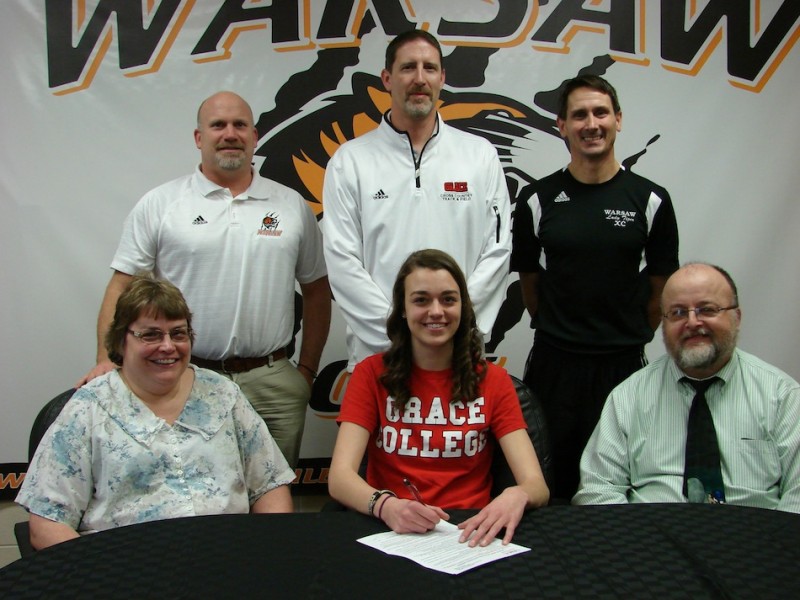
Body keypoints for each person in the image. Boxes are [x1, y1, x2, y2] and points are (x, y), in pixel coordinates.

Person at [78, 91, 331, 468]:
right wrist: (104, 359)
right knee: (191, 493)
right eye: (218, 125)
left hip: (272, 381)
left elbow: (316, 290)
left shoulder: (290, 205)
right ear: (200, 138)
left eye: (240, 125)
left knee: (275, 506)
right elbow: (121, 285)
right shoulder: (162, 204)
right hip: (183, 376)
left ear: (255, 135)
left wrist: (305, 372)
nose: (230, 133)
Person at [18, 274, 295, 550]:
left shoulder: (223, 394)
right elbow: (48, 524)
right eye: (150, 334)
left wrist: (268, 553)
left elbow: (270, 486)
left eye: (178, 333)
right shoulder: (87, 409)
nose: (167, 346)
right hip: (126, 574)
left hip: (228, 562)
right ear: (120, 341)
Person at [510, 75, 679, 500]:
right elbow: (531, 285)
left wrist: (626, 334)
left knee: (623, 483)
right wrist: (562, 328)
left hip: (622, 367)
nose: (591, 123)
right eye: (579, 114)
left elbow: (661, 289)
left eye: (601, 112)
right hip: (554, 367)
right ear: (561, 126)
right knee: (552, 486)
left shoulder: (651, 199)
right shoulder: (535, 199)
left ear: (618, 120)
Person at [328, 250, 548, 547]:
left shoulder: (494, 381)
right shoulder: (370, 374)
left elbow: (536, 485)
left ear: (463, 307)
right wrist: (387, 506)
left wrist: (516, 494)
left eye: (448, 299)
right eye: (421, 300)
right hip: (391, 526)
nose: (436, 311)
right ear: (403, 309)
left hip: (470, 531)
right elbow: (340, 478)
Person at [322, 30, 511, 372]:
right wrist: (398, 334)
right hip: (380, 358)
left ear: (442, 78)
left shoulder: (479, 155)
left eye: (429, 68)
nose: (420, 79)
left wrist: (454, 329)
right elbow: (342, 262)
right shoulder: (350, 161)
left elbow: (497, 253)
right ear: (387, 79)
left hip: (460, 359)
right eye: (408, 68)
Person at [573, 263, 800, 511]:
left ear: (737, 317)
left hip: (754, 541)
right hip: (652, 540)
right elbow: (597, 490)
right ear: (663, 324)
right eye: (678, 313)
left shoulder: (782, 396)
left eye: (707, 309)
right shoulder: (628, 397)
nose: (692, 322)